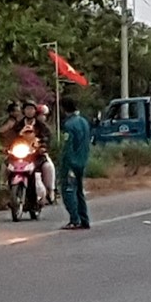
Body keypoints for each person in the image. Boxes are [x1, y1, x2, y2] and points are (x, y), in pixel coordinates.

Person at [12, 101, 56, 204]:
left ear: (35, 111)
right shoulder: (18, 125)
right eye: (27, 109)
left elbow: (48, 138)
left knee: (48, 167)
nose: (29, 111)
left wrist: (43, 147)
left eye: (31, 109)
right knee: (6, 164)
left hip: (37, 154)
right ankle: (3, 185)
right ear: (24, 111)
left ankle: (50, 190)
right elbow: (11, 137)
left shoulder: (41, 126)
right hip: (20, 154)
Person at [58, 98, 91, 230]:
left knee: (69, 191)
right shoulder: (84, 122)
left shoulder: (69, 125)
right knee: (79, 192)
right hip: (82, 161)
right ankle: (84, 219)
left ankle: (74, 219)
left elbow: (68, 146)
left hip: (71, 162)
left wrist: (64, 162)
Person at [0, 102, 22, 189]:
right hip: (8, 148)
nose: (18, 113)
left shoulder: (19, 122)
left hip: (18, 148)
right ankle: (2, 182)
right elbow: (1, 131)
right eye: (16, 111)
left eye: (19, 111)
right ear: (11, 112)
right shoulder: (9, 122)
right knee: (5, 162)